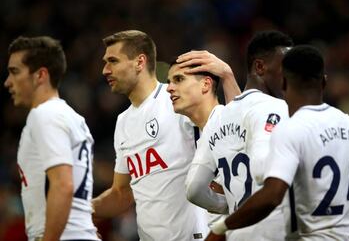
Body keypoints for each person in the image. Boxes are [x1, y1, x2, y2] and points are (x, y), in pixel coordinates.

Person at [91, 30, 239, 241]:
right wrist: (85, 210)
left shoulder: (176, 100)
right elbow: (121, 193)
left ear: (140, 62)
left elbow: (232, 128)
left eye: (113, 61)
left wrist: (226, 75)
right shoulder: (123, 122)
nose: (105, 70)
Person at [206, 45, 349, 241]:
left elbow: (272, 196)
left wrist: (221, 227)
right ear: (324, 82)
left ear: (285, 83)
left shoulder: (289, 129)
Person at [185, 30, 293, 241]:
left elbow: (194, 188)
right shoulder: (278, 108)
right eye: (285, 69)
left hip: (236, 232)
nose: (290, 77)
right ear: (260, 67)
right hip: (273, 230)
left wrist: (230, 204)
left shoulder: (218, 117)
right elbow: (263, 169)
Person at [4, 36, 99, 241]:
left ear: (40, 75)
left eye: (14, 72)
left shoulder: (44, 115)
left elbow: (63, 185)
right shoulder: (75, 118)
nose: (7, 82)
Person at [167, 51, 240, 227]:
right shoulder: (194, 131)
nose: (169, 88)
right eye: (169, 81)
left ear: (206, 84)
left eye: (178, 79)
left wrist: (227, 74)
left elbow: (238, 116)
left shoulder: (224, 121)